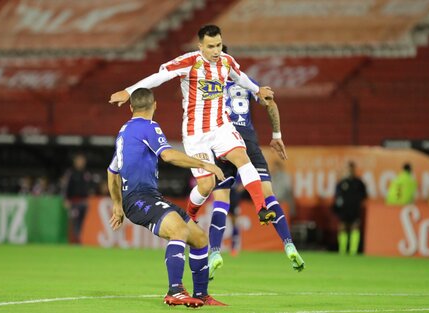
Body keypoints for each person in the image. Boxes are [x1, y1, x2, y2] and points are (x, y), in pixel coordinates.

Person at [109, 25, 277, 227]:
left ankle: (262, 209)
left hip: (221, 126)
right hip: (195, 133)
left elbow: (239, 76)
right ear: (200, 46)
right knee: (207, 185)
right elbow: (159, 77)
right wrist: (129, 91)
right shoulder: (188, 62)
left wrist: (257, 90)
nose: (216, 51)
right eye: (211, 46)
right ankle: (191, 215)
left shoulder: (226, 61)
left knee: (242, 157)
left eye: (219, 45)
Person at [108, 88, 226, 307]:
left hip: (142, 197)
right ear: (155, 105)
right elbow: (168, 155)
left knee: (199, 238)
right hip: (140, 198)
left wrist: (117, 204)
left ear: (131, 108)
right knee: (179, 231)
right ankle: (175, 291)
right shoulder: (149, 127)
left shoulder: (124, 132)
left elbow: (112, 171)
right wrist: (204, 164)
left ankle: (201, 295)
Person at [207, 46, 304, 279]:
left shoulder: (209, 82)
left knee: (221, 199)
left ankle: (215, 252)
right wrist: (277, 135)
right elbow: (270, 101)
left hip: (224, 140)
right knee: (268, 195)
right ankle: (288, 244)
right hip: (249, 140)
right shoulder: (247, 81)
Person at [333, 161, 367, 255]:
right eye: (348, 168)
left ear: (354, 169)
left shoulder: (359, 183)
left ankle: (353, 251)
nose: (350, 170)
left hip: (355, 209)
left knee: (355, 227)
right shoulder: (341, 183)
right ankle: (342, 250)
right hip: (344, 210)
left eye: (352, 168)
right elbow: (337, 197)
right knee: (343, 227)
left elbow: (364, 196)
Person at [61, 153, 92, 244]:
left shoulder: (86, 173)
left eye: (82, 161)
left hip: (83, 202)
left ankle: (78, 239)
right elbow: (65, 187)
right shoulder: (70, 173)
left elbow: (89, 187)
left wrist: (88, 198)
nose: (81, 163)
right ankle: (74, 240)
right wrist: (66, 199)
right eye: (79, 161)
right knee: (74, 221)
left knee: (81, 222)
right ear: (75, 162)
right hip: (74, 201)